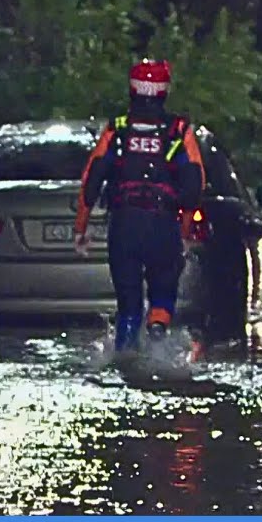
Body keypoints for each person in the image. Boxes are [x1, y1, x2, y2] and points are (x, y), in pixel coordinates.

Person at [74, 59, 206, 352]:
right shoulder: (178, 131)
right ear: (164, 91)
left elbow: (91, 179)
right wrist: (184, 232)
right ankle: (158, 327)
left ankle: (124, 355)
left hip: (124, 226)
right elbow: (195, 185)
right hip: (162, 225)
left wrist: (80, 227)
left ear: (132, 90)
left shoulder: (117, 129)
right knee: (163, 289)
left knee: (128, 303)